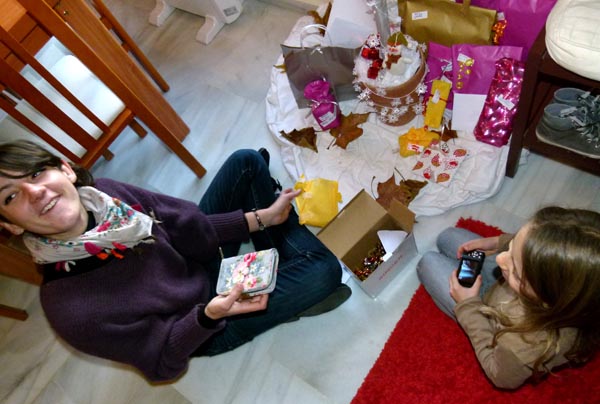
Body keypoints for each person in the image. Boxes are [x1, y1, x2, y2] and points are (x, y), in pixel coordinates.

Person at [0, 140, 351, 382]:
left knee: (246, 161)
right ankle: (291, 284)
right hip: (207, 324)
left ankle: (281, 263)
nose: (35, 192)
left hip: (198, 262)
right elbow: (163, 362)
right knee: (323, 271)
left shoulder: (108, 194)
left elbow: (187, 225)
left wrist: (261, 218)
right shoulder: (69, 310)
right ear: (11, 225)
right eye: (10, 197)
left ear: (66, 170)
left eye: (36, 173)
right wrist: (208, 316)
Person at [417, 207, 600, 389]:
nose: (500, 259)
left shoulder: (525, 346)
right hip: (502, 288)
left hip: (488, 313)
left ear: (548, 298)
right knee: (448, 236)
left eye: (517, 273)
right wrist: (499, 242)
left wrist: (467, 305)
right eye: (511, 248)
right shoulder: (564, 288)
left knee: (428, 262)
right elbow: (530, 245)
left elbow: (500, 376)